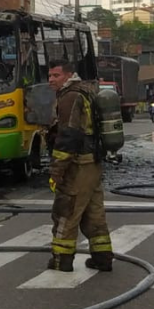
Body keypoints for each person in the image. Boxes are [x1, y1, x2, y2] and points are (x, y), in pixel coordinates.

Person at [47, 60, 113, 272]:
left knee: (66, 211)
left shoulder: (70, 97)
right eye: (49, 75)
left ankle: (61, 260)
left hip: (78, 165)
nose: (51, 80)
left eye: (56, 75)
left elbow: (68, 137)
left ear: (68, 76)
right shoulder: (87, 91)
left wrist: (57, 170)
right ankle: (102, 258)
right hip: (92, 163)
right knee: (94, 213)